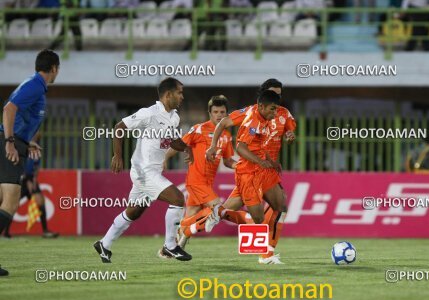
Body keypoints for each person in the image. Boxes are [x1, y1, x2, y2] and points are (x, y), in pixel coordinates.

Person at [93, 77, 193, 263]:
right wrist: (117, 155)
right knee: (178, 199)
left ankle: (104, 244)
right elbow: (119, 127)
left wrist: (187, 148)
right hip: (143, 171)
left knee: (135, 211)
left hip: (153, 172)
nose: (182, 96)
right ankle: (170, 246)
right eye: (179, 92)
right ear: (168, 94)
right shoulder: (149, 113)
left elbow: (172, 141)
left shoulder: (174, 117)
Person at [206, 82, 296, 265]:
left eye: (278, 97)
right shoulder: (252, 117)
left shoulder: (278, 114)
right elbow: (238, 143)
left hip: (265, 169)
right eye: (272, 98)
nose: (275, 105)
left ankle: (267, 253)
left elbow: (279, 136)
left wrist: (271, 161)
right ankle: (263, 254)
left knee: (281, 206)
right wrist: (213, 146)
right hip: (249, 171)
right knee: (257, 218)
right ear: (262, 100)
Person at [0, 49, 60, 277]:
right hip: (8, 145)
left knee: (2, 202)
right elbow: (9, 109)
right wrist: (9, 142)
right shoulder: (35, 85)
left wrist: (26, 143)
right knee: (10, 204)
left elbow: (20, 119)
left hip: (16, 144)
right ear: (54, 68)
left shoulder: (35, 87)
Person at [164, 95, 251, 248]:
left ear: (227, 114)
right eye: (216, 112)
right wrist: (164, 158)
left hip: (208, 183)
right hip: (196, 181)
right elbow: (179, 144)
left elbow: (228, 161)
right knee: (217, 209)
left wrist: (241, 166)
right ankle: (180, 229)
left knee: (191, 218)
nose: (219, 115)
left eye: (222, 112)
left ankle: (171, 248)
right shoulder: (199, 129)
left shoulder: (226, 135)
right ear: (209, 113)